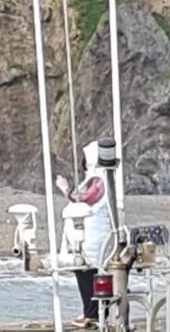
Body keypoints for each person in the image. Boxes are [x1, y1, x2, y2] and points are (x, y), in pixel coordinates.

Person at [54, 140, 111, 329]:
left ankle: (91, 313)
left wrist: (65, 188)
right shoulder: (100, 177)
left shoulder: (99, 179)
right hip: (91, 235)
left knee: (86, 272)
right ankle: (95, 310)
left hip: (91, 237)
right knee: (90, 272)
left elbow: (84, 199)